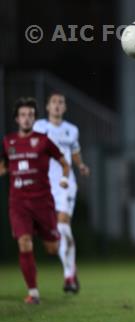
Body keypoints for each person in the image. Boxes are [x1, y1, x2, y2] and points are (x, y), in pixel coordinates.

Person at [0, 97, 70, 304]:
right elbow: (4, 165)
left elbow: (64, 163)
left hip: (43, 203)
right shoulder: (8, 142)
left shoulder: (43, 140)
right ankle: (33, 292)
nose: (26, 118)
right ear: (16, 119)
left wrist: (65, 178)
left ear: (34, 118)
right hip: (19, 203)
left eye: (30, 114)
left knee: (52, 248)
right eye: (23, 115)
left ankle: (54, 237)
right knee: (24, 243)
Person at [33, 92, 90, 293]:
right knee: (53, 237)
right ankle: (70, 268)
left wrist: (81, 165)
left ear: (64, 108)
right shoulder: (39, 127)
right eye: (54, 102)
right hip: (43, 186)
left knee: (63, 226)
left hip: (65, 184)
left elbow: (74, 153)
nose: (57, 105)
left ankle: (68, 277)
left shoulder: (71, 130)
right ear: (48, 107)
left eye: (61, 103)